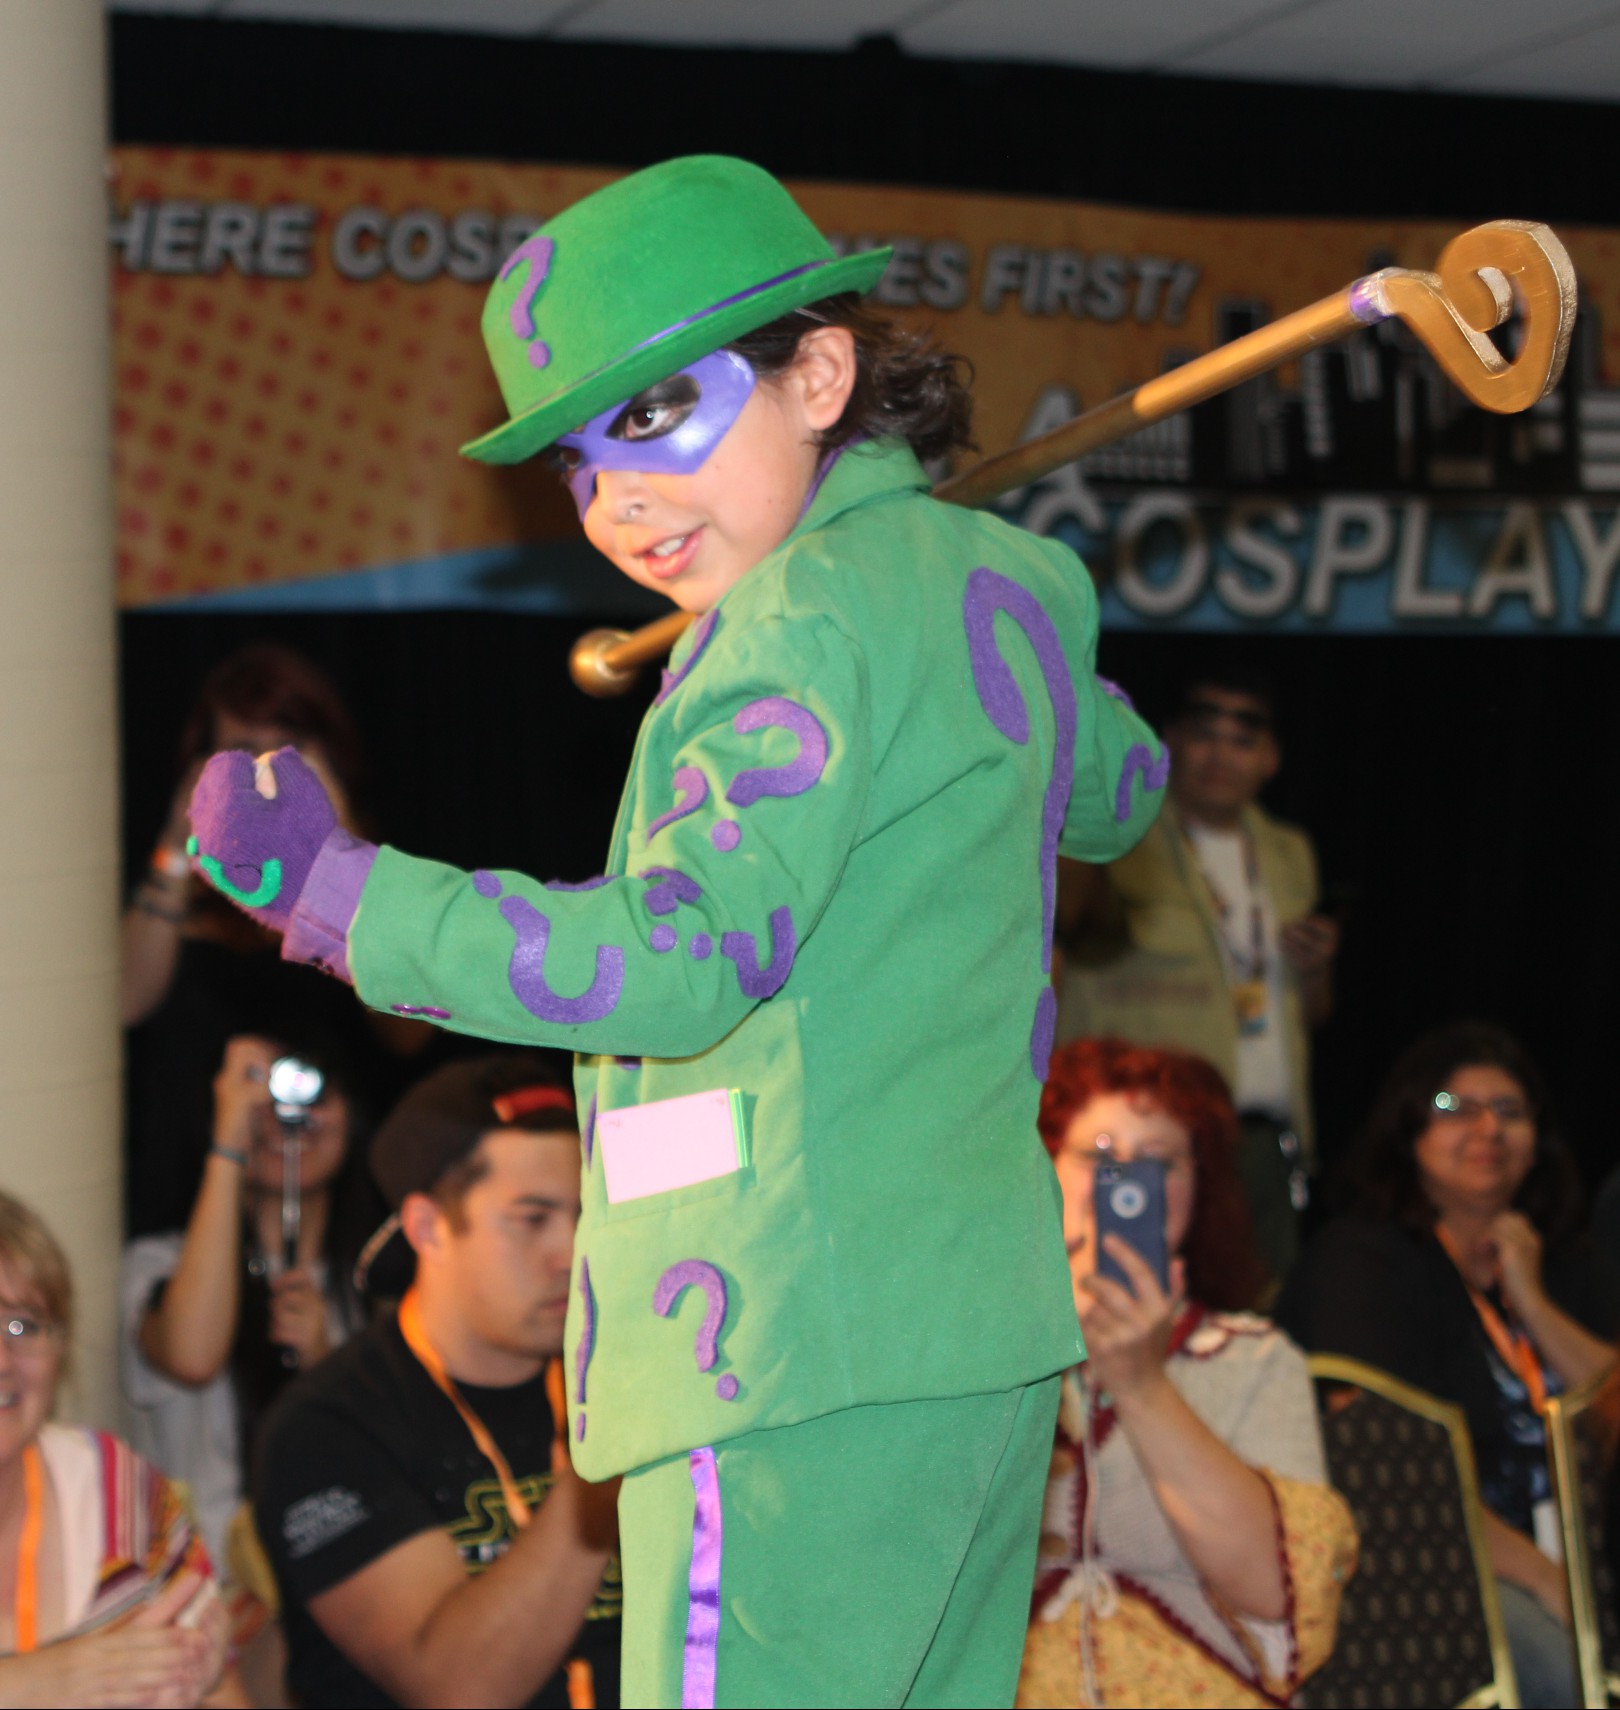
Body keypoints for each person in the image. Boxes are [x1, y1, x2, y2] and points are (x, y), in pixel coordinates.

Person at [186, 154, 1170, 1707]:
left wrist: (342, 895)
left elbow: (683, 955)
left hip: (782, 1347)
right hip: (973, 1345)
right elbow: (1118, 790)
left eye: (655, 418)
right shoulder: (1011, 578)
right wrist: (961, 587)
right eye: (581, 465)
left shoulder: (790, 620)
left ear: (820, 375)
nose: (620, 501)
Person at [253, 1054, 621, 1708]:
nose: (571, 1255)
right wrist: (614, 1455)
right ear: (427, 1228)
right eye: (532, 1219)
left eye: (585, 1217)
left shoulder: (606, 1363)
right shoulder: (326, 1426)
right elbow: (458, 1687)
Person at [1278, 1021, 1619, 1709]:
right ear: (1407, 1130)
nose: (1487, 1128)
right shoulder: (1362, 1261)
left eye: (1510, 1110)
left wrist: (1532, 1303)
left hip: (1584, 1557)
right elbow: (1394, 1471)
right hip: (1426, 1564)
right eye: (1453, 1107)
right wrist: (1552, 1583)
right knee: (1562, 1669)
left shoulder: (1562, 1258)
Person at [1018, 1038, 1354, 1708]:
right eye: (1100, 1155)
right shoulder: (991, 1358)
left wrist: (1141, 1384)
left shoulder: (1254, 1359)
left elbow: (1275, 1593)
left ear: (1197, 1189)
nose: (1124, 1181)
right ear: (1046, 1167)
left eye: (1157, 1161)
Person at [122, 643, 415, 1241]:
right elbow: (126, 1001)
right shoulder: (184, 887)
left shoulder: (380, 876)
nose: (261, 775)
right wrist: (177, 844)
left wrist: (338, 841)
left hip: (343, 1193)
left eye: (283, 753)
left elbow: (408, 1031)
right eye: (238, 753)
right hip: (188, 1189)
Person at [1056, 670, 1339, 1287]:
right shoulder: (1118, 835)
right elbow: (1070, 932)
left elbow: (1311, 1016)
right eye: (1204, 734)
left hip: (1261, 1140)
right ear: (1171, 740)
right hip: (1144, 1137)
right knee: (1126, 1294)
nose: (1220, 755)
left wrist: (1316, 971)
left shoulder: (1290, 852)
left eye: (1242, 739)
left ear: (1271, 758)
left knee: (1257, 1312)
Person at [121, 1033, 375, 1568]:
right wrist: (229, 1145)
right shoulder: (160, 1266)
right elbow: (193, 1357)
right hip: (204, 1581)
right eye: (263, 1098)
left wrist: (327, 1365)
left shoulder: (380, 1285)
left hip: (338, 1576)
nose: (287, 1117)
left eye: (314, 1092)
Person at [0, 1191, 229, 1707]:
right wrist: (40, 1682)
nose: (2, 1360)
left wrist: (197, 1678)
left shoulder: (118, 1488)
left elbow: (224, 1691)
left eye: (22, 1325)